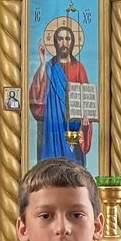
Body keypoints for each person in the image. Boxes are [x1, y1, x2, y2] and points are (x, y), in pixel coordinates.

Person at [30, 18, 94, 165]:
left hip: (73, 127)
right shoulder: (49, 67)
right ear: (55, 42)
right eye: (60, 39)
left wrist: (86, 119)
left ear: (72, 42)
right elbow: (37, 96)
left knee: (73, 165)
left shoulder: (79, 68)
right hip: (53, 124)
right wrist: (42, 63)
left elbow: (87, 99)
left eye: (67, 39)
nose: (64, 43)